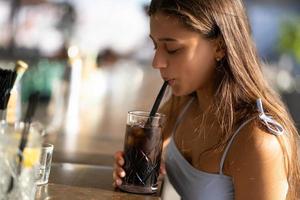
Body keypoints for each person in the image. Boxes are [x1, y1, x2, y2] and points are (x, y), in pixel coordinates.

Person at [113, 0, 300, 199]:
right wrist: (132, 167)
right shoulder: (184, 102)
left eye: (172, 49)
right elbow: (147, 147)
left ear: (219, 46)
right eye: (155, 46)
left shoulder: (257, 141)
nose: (156, 62)